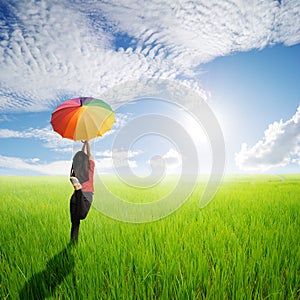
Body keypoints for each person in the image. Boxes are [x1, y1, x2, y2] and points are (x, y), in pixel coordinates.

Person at [69, 140, 94, 243]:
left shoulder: (76, 169)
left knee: (75, 224)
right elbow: (88, 157)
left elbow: (80, 159)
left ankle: (73, 244)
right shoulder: (90, 168)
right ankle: (78, 189)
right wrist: (87, 145)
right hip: (85, 196)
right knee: (82, 215)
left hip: (74, 198)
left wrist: (83, 146)